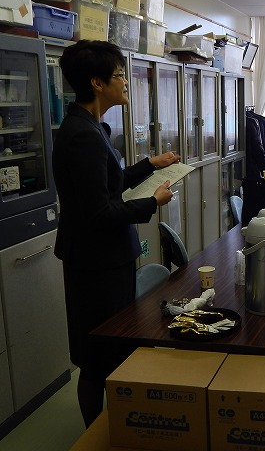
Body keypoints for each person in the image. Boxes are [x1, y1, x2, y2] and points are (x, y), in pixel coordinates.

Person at [52, 40, 180, 427]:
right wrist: (152, 202)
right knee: (97, 357)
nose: (126, 82)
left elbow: (111, 184)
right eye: (120, 75)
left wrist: (150, 164)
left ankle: (118, 424)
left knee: (113, 349)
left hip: (107, 259)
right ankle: (95, 435)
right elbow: (99, 212)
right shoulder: (82, 135)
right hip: (96, 264)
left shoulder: (92, 126)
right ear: (97, 82)